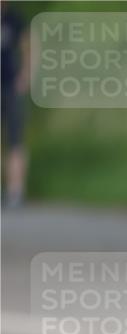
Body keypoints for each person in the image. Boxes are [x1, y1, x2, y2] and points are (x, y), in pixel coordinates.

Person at [1, 3, 29, 206]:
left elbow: (30, 46)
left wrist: (25, 76)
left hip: (10, 87)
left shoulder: (14, 18)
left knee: (15, 140)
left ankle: (15, 191)